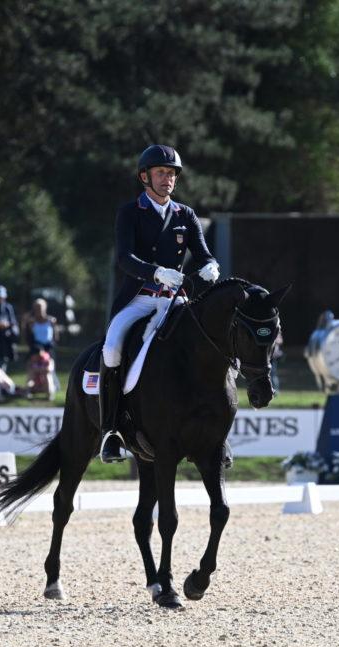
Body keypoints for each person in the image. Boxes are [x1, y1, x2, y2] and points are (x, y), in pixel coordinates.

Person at [98, 144, 220, 463]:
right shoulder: (129, 212)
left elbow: (203, 252)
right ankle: (111, 431)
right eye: (161, 173)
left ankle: (215, 430)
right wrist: (156, 272)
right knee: (111, 349)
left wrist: (210, 266)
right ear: (145, 177)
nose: (168, 179)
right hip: (140, 299)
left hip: (175, 303)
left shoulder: (185, 215)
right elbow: (124, 258)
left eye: (171, 174)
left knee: (210, 346)